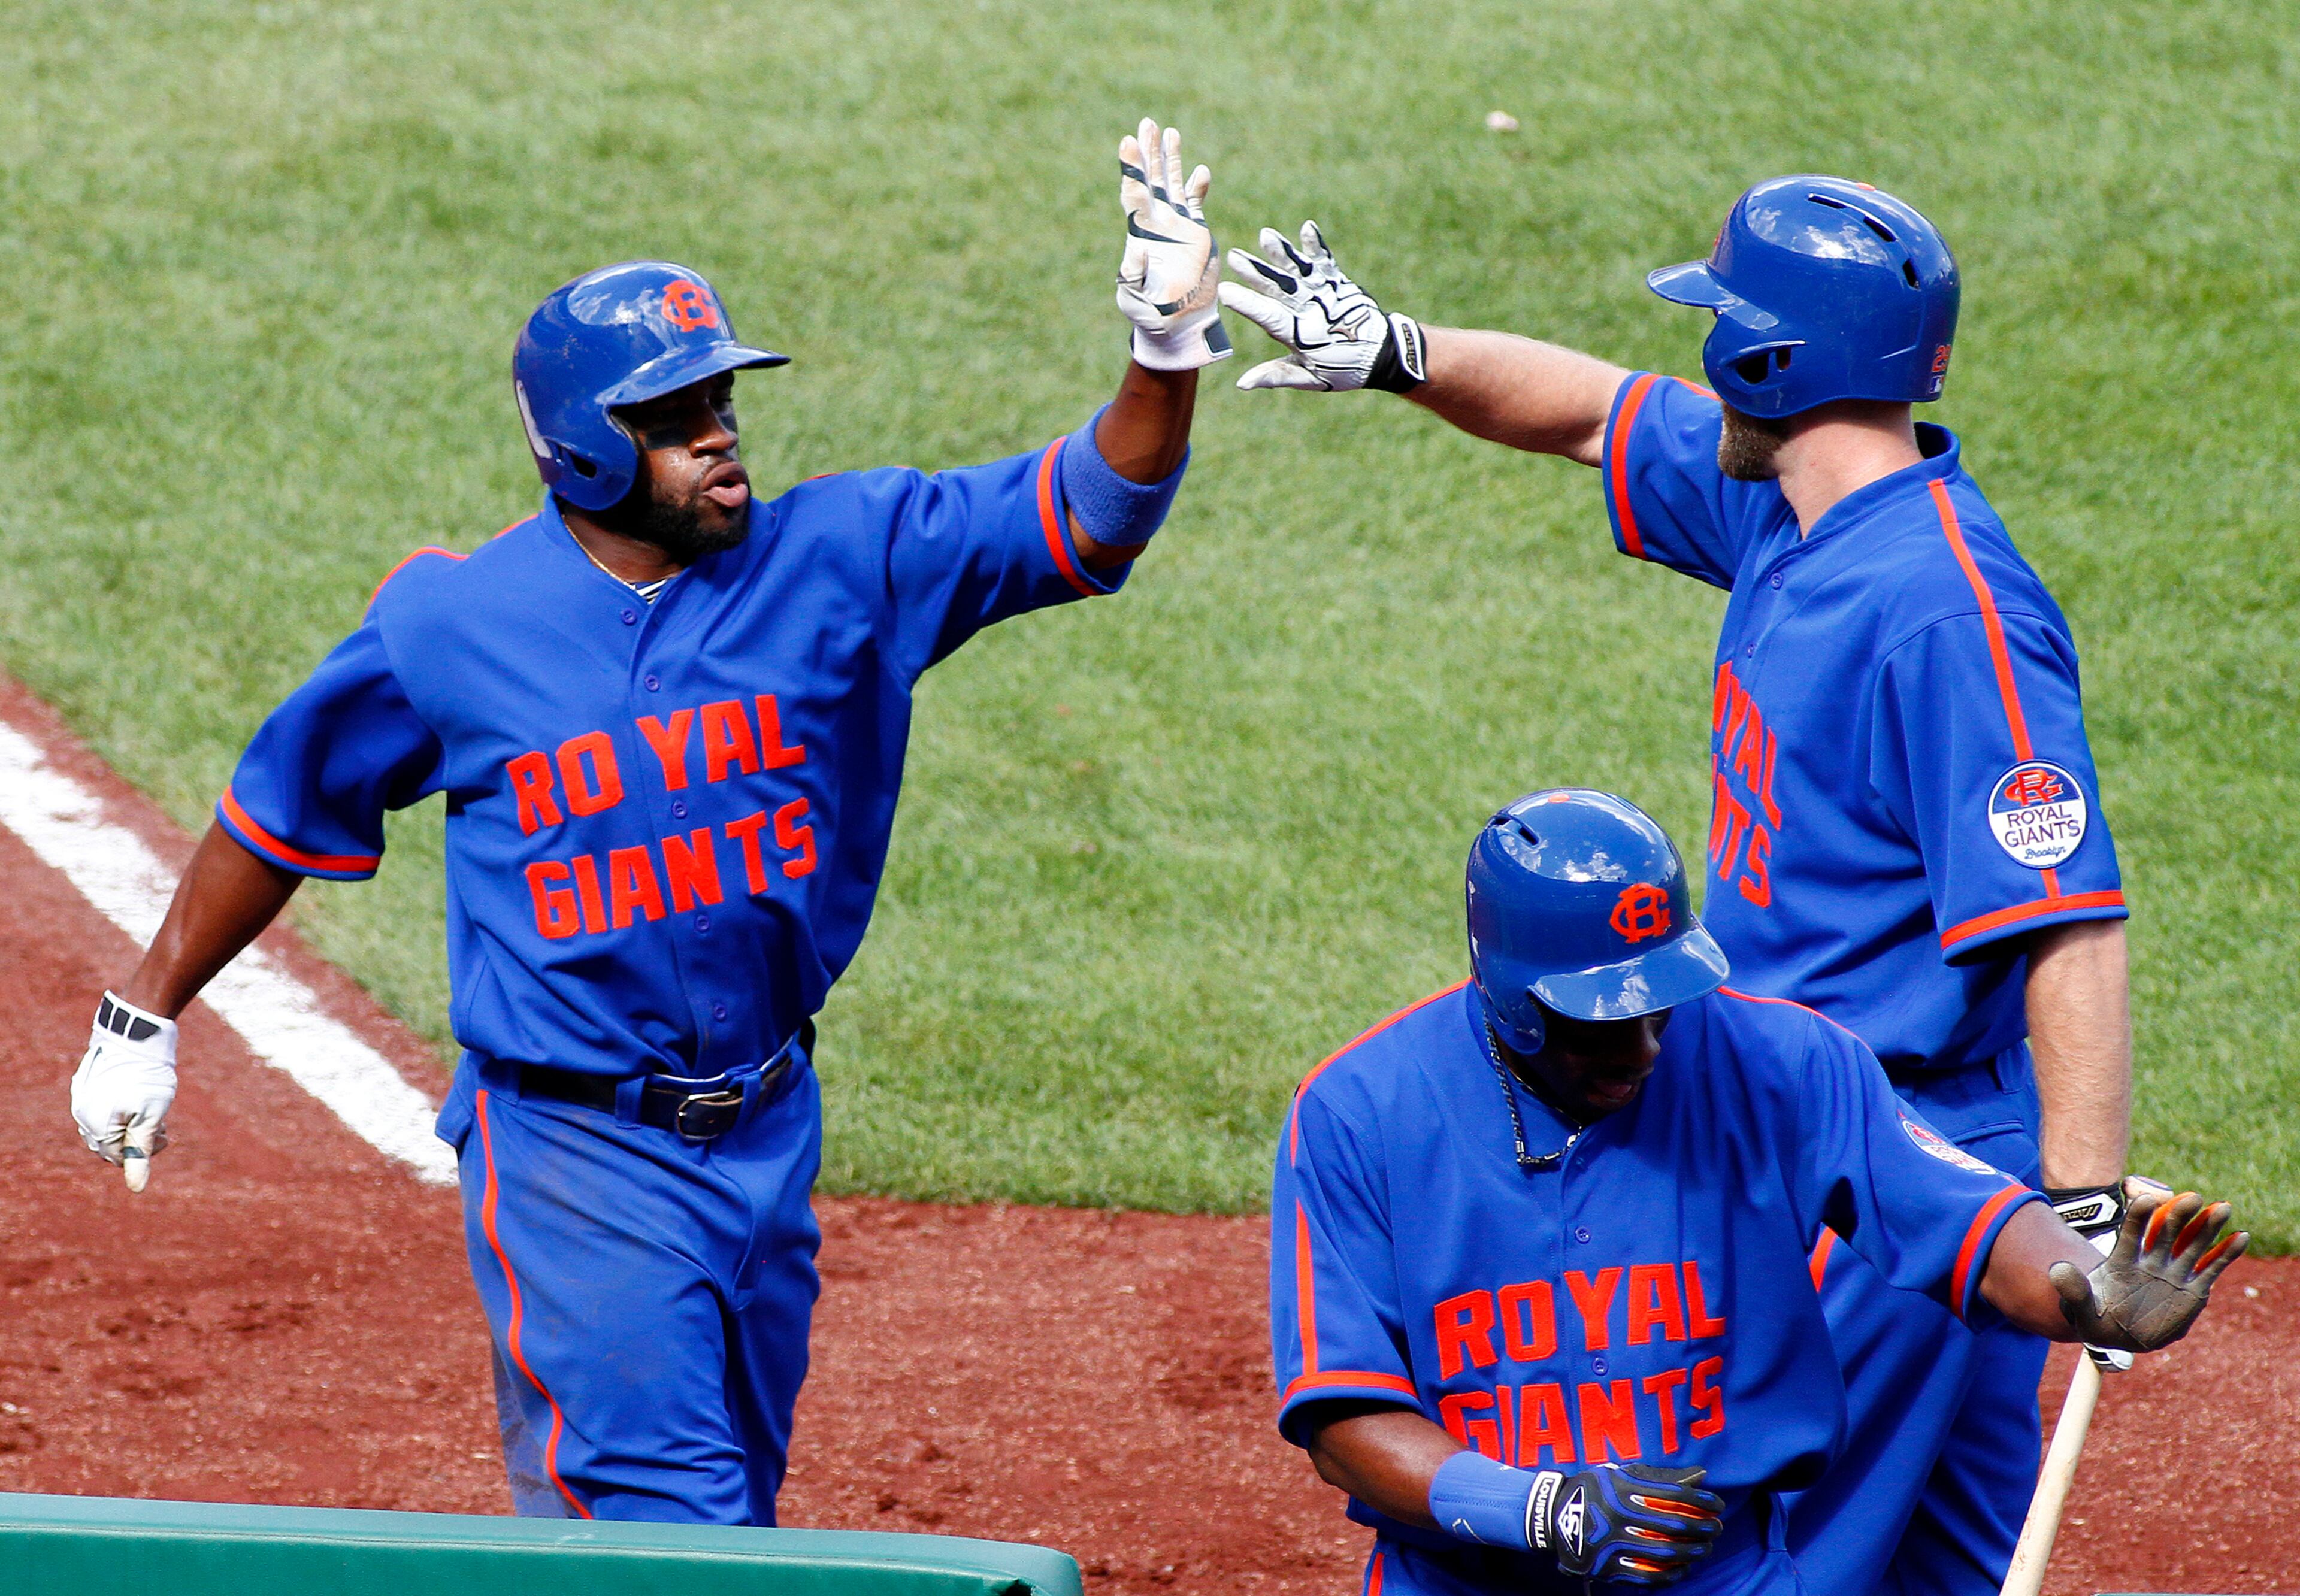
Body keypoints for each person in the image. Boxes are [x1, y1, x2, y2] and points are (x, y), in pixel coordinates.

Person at [67, 116, 1230, 1525]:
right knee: (666, 1528)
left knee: (729, 1499)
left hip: (768, 1126)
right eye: (675, 420)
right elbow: (282, 805)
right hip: (575, 1155)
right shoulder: (454, 626)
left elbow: (1095, 511)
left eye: (723, 402)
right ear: (578, 450)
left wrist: (1163, 348)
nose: (720, 437)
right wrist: (145, 1008)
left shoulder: (848, 559)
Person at [1221, 178, 2147, 1592]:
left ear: (1769, 363)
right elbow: (1593, 411)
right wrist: (1400, 350)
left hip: (1868, 1166)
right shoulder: (1791, 514)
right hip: (1872, 1134)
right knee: (1949, 1562)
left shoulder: (1950, 611)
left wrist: (2075, 1218)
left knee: (1749, 1546)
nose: (1700, 351)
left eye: (1719, 323)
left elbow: (2068, 921)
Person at [1271, 789, 2242, 1596]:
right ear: (1512, 996)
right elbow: (1343, 1422)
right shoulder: (1359, 1114)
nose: (1645, 1047)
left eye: (1658, 1005)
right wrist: (1540, 1509)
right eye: (1604, 1022)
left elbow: (1970, 1223)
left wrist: (2084, 1280)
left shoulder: (1779, 1058)